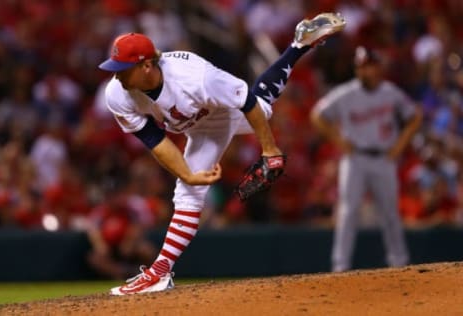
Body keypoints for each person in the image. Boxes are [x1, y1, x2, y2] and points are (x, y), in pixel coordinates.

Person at [98, 12, 346, 295]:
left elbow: (246, 100)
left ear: (146, 66)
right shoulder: (117, 93)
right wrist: (187, 174)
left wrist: (270, 150)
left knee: (262, 107)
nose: (116, 74)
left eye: (122, 67)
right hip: (196, 127)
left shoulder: (196, 78)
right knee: (188, 191)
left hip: (222, 113)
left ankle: (299, 45)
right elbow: (155, 140)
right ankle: (160, 274)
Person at [311, 46, 423, 272]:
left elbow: (415, 116)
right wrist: (338, 140)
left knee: (390, 211)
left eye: (369, 66)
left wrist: (399, 146)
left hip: (383, 158)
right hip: (355, 159)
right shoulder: (346, 94)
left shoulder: (390, 93)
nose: (365, 71)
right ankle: (340, 266)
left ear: (378, 68)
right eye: (361, 67)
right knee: (348, 211)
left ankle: (399, 262)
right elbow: (317, 116)